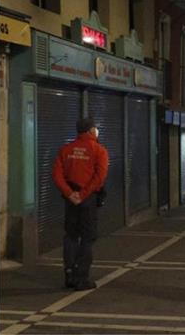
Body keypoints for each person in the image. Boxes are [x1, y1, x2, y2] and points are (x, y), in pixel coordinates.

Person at [52, 117, 109, 291]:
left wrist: (70, 194)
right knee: (87, 238)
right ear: (91, 131)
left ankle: (69, 274)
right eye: (95, 128)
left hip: (70, 201)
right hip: (88, 200)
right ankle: (81, 277)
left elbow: (57, 175)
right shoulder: (99, 150)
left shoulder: (65, 150)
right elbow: (99, 177)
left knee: (70, 236)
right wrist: (83, 194)